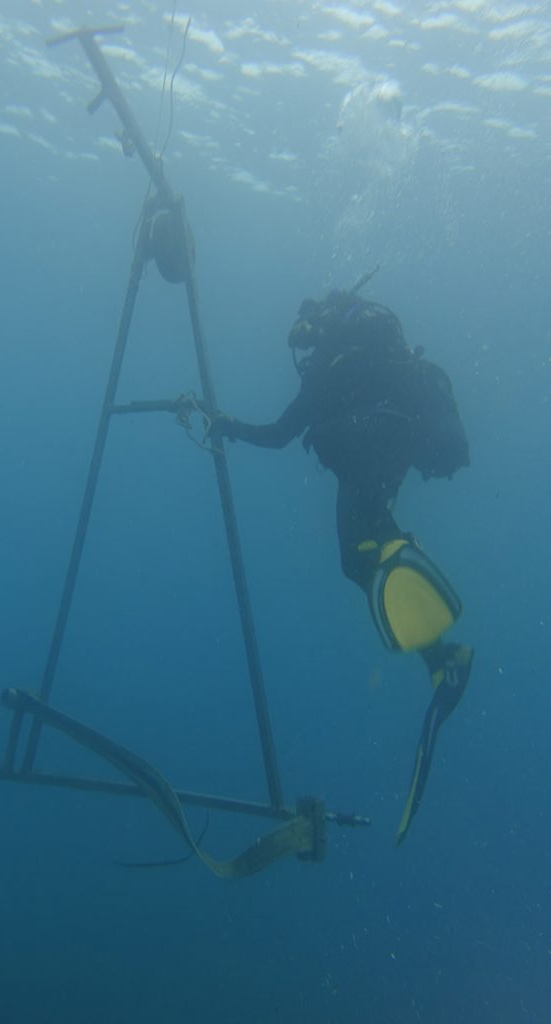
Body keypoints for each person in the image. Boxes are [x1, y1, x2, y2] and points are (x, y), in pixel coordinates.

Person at [210, 280, 473, 844]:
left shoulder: (332, 367)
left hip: (365, 447)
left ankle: (443, 653)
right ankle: (438, 651)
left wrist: (226, 425)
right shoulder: (377, 361)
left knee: (359, 559)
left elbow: (281, 436)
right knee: (370, 544)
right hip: (391, 445)